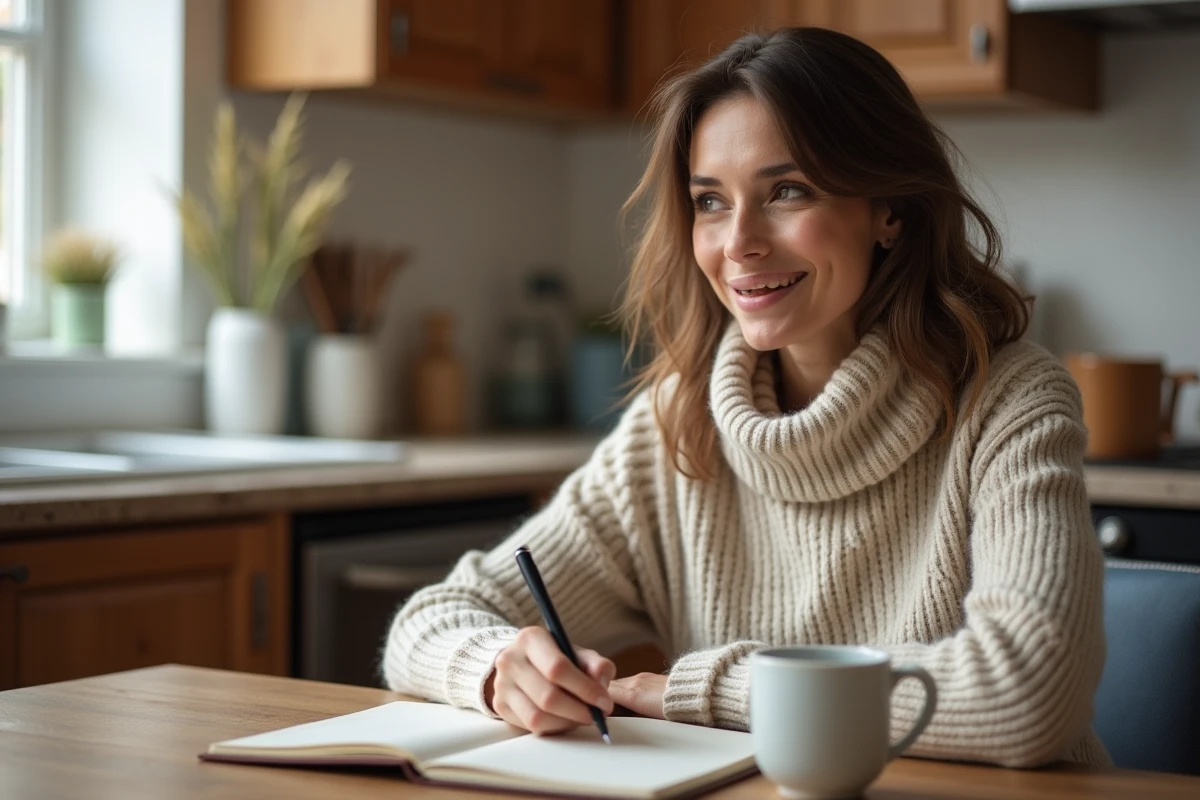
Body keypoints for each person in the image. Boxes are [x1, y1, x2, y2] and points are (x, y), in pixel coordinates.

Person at [383, 27, 1109, 768]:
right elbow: (430, 620)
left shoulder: (1009, 399)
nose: (739, 244)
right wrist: (498, 666)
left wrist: (701, 691)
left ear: (888, 207)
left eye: (786, 191)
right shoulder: (677, 419)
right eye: (710, 202)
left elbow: (1027, 693)